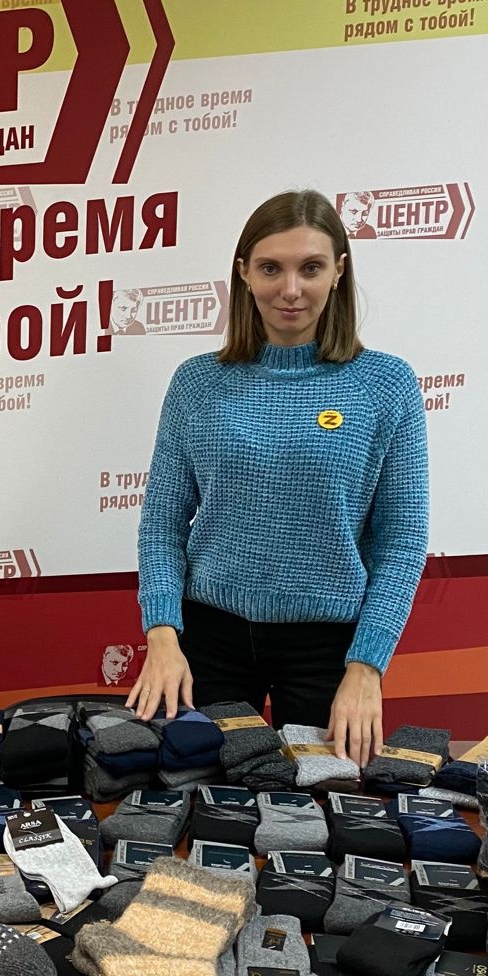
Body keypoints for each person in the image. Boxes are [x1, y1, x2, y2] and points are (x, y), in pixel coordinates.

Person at [128, 189, 429, 767]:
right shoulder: (197, 383)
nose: (291, 289)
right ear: (244, 273)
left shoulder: (386, 385)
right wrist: (162, 635)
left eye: (310, 268)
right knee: (200, 796)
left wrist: (368, 666)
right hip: (207, 642)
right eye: (271, 268)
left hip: (330, 651)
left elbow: (402, 540)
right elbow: (162, 523)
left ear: (338, 272)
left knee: (322, 803)